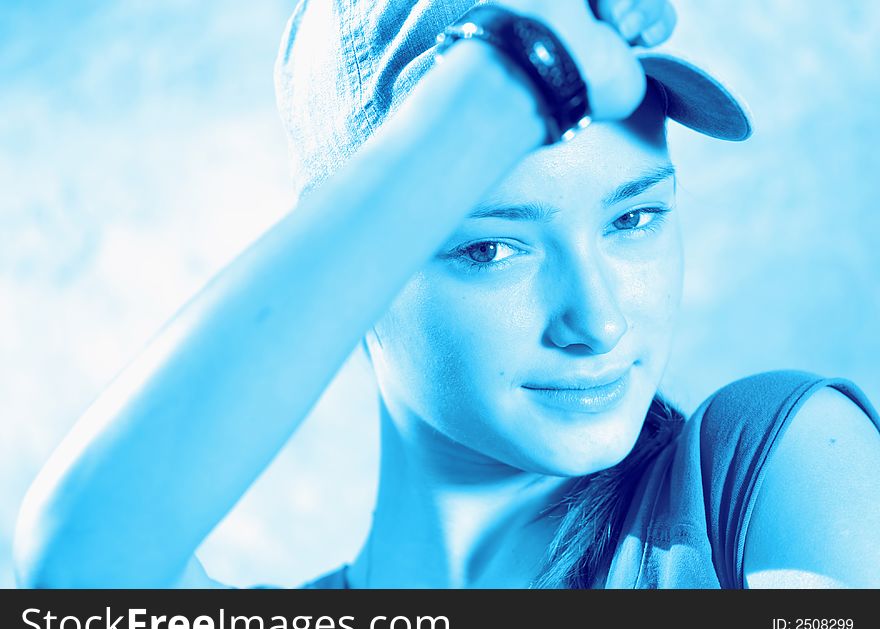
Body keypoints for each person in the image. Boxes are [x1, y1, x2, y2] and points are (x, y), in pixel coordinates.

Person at [13, 0, 880, 589]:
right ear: (355, 259)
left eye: (634, 218)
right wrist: (504, 85)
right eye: (491, 245)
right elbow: (77, 572)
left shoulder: (759, 471)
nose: (601, 321)